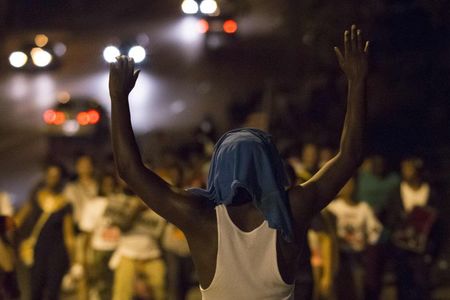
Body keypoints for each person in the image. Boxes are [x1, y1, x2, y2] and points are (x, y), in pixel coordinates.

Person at [109, 24, 369, 299]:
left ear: (218, 167)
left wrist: (118, 98)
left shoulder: (200, 216)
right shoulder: (292, 209)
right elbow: (350, 156)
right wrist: (357, 81)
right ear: (271, 166)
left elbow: (129, 169)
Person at [15, 163, 75, 300]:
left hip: (57, 253)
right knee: (35, 289)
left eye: (56, 176)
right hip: (37, 250)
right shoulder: (36, 198)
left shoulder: (65, 204)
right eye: (50, 175)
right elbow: (19, 219)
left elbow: (68, 235)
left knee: (53, 291)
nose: (53, 178)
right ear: (45, 176)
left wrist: (74, 261)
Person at [385, 157, 440, 300]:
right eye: (404, 168)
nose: (405, 171)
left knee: (423, 287)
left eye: (409, 168)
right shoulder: (396, 192)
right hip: (402, 250)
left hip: (423, 250)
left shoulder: (430, 193)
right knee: (403, 287)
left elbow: (438, 222)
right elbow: (389, 218)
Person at [327, 177, 382, 300]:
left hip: (359, 256)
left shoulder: (363, 208)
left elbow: (375, 230)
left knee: (358, 290)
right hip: (339, 257)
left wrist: (369, 246)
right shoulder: (332, 208)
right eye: (345, 183)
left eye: (351, 184)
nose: (348, 187)